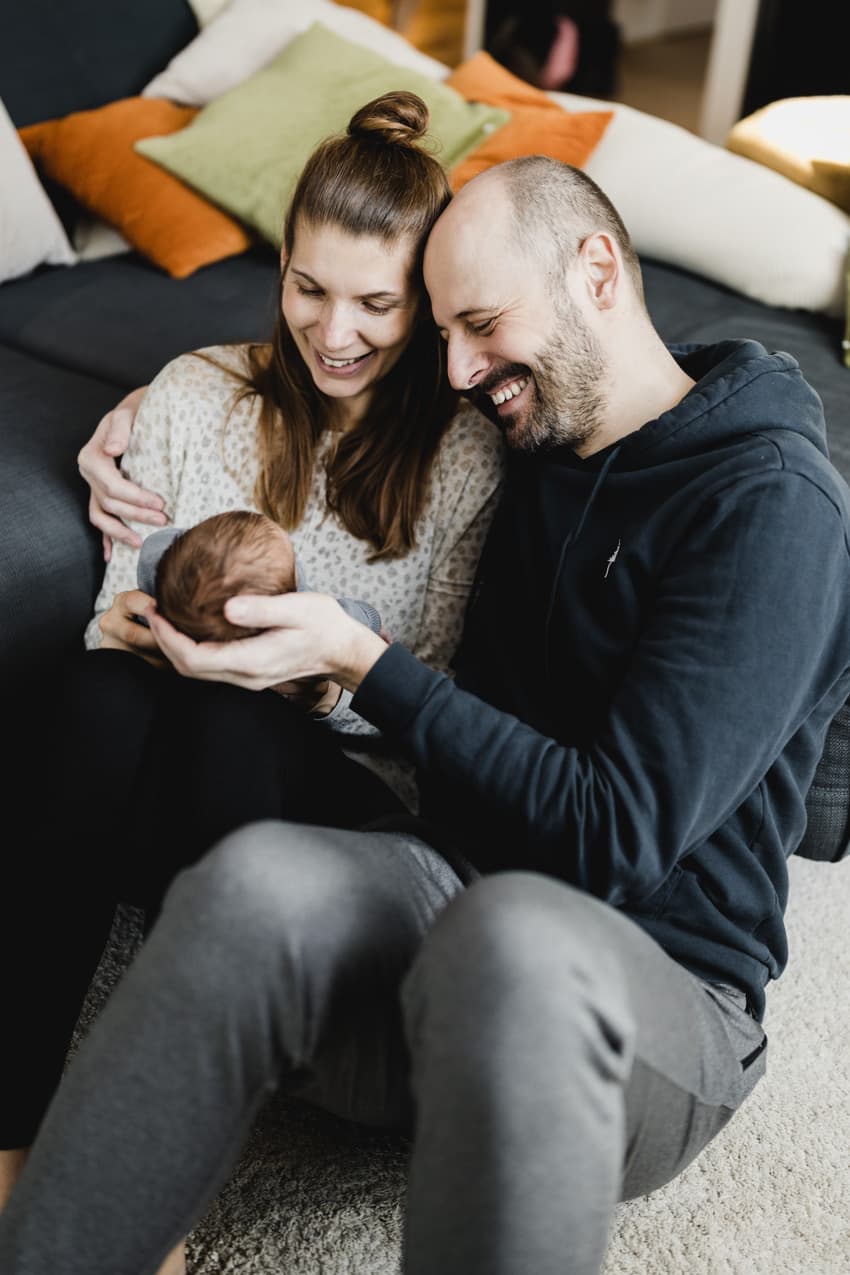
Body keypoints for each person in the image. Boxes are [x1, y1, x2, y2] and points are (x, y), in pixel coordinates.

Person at [3, 156, 849, 1275]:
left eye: (481, 324)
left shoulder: (770, 508)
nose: (456, 368)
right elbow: (323, 386)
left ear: (597, 271)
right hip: (444, 899)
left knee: (514, 940)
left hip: (654, 1001)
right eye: (445, 331)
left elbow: (616, 835)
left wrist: (362, 660)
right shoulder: (540, 425)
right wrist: (138, 412)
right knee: (253, 878)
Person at [0, 91, 505, 1275]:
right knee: (89, 695)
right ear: (280, 268)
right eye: (308, 288)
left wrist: (310, 669)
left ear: (424, 304)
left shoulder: (468, 455)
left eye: (378, 304)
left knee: (224, 718)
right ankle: (13, 1132)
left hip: (333, 794)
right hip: (167, 748)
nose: (335, 331)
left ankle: (155, 1172)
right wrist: (135, 620)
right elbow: (115, 600)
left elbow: (425, 695)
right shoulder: (191, 394)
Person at [139, 511, 382, 643]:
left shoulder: (165, 592)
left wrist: (192, 547)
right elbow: (356, 618)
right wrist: (373, 620)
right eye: (293, 561)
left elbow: (154, 546)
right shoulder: (301, 609)